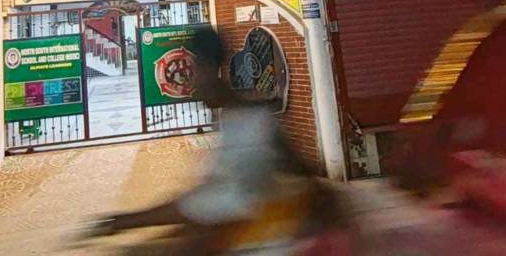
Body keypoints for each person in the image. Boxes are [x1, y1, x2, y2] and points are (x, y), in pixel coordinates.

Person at [82, 26, 347, 254]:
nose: (189, 82)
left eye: (193, 69)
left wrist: (126, 223)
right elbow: (200, 203)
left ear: (209, 68)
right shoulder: (236, 122)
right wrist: (126, 223)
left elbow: (204, 208)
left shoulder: (252, 125)